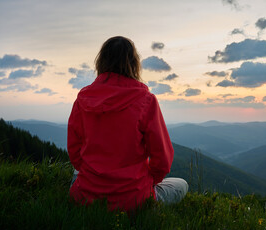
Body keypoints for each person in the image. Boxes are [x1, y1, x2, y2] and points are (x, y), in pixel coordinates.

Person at [68, 36, 188, 212]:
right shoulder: (146, 100)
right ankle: (143, 204)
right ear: (133, 63)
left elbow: (74, 150)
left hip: (86, 196)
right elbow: (162, 157)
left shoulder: (83, 99)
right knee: (181, 184)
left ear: (101, 62)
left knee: (77, 173)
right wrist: (149, 182)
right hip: (133, 199)